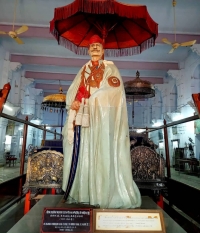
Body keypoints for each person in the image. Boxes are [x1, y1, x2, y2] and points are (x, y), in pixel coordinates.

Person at [62, 34, 141, 209]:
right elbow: (74, 90)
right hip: (83, 117)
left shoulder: (110, 68)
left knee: (102, 151)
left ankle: (103, 193)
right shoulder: (83, 69)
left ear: (103, 50)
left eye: (98, 45)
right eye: (92, 46)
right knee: (81, 152)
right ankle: (82, 193)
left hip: (101, 119)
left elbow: (114, 89)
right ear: (88, 50)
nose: (95, 48)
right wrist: (75, 101)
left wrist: (95, 98)